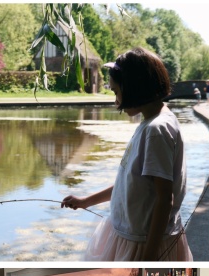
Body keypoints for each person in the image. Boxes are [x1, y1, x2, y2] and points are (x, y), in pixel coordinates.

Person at [62, 48, 192, 262]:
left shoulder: (156, 130)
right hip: (132, 236)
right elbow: (130, 183)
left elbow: (164, 199)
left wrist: (148, 257)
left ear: (134, 87)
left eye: (116, 92)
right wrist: (86, 201)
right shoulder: (150, 123)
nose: (116, 101)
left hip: (144, 244)